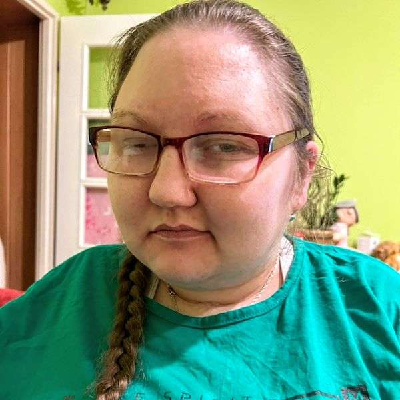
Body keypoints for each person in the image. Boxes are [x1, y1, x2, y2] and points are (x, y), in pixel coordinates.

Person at [0, 1, 399, 399]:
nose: (166, 191)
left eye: (224, 146)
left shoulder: (377, 307)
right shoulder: (57, 307)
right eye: (137, 143)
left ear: (301, 175)